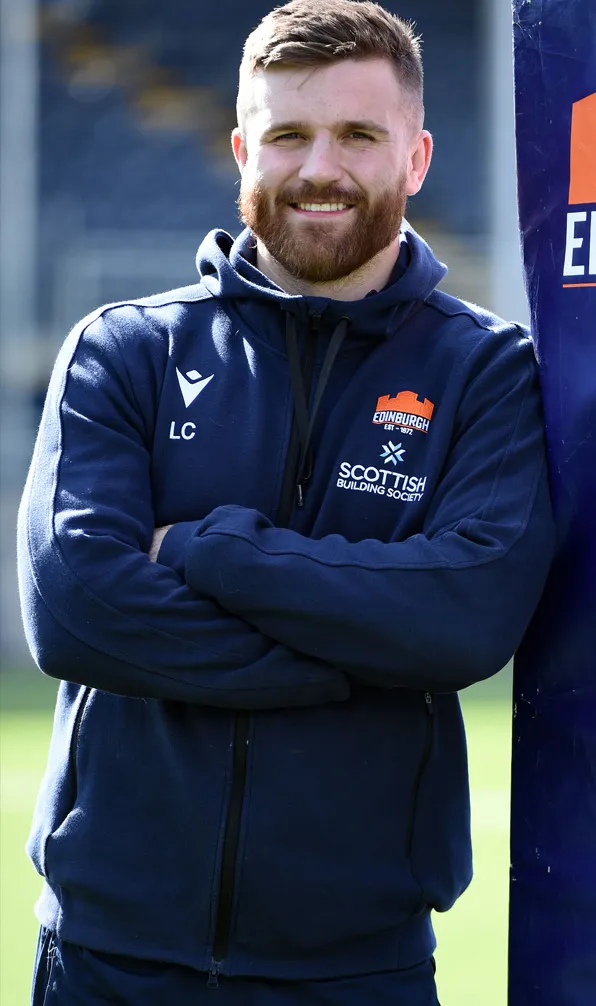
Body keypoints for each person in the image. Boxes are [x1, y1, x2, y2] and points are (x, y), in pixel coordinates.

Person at [18, 1, 555, 1003]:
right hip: (107, 959)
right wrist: (351, 661)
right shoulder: (124, 349)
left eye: (357, 135)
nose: (319, 169)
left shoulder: (484, 370)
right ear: (239, 150)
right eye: (287, 135)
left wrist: (206, 553)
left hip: (358, 967)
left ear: (415, 157)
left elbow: (465, 617)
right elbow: (76, 611)